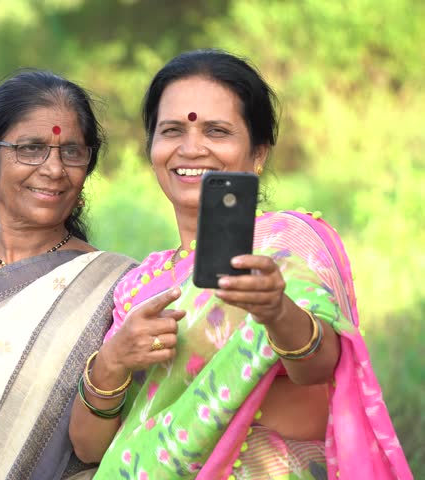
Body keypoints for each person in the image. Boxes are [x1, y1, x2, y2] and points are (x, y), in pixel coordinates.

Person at [69, 49, 413, 479]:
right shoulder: (139, 285)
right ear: (152, 148)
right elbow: (89, 447)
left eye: (217, 131)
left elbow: (318, 368)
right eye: (172, 130)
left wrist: (276, 311)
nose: (191, 148)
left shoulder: (287, 243)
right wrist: (111, 363)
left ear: (258, 153)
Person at [0, 70, 137, 479]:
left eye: (72, 152)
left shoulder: (118, 285)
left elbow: (126, 437)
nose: (54, 169)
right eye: (31, 148)